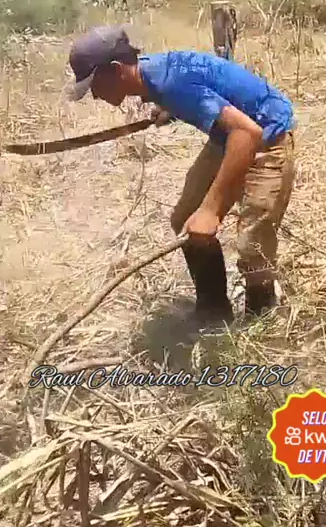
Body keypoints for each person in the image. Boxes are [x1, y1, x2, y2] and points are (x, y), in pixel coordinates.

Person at [64, 24, 296, 331]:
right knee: (186, 217)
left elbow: (247, 133)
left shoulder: (173, 84)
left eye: (95, 85)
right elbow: (200, 87)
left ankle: (261, 324)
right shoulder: (150, 75)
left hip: (267, 137)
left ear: (117, 70)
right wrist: (169, 109)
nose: (94, 95)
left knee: (253, 244)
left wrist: (211, 210)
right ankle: (213, 313)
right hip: (230, 135)